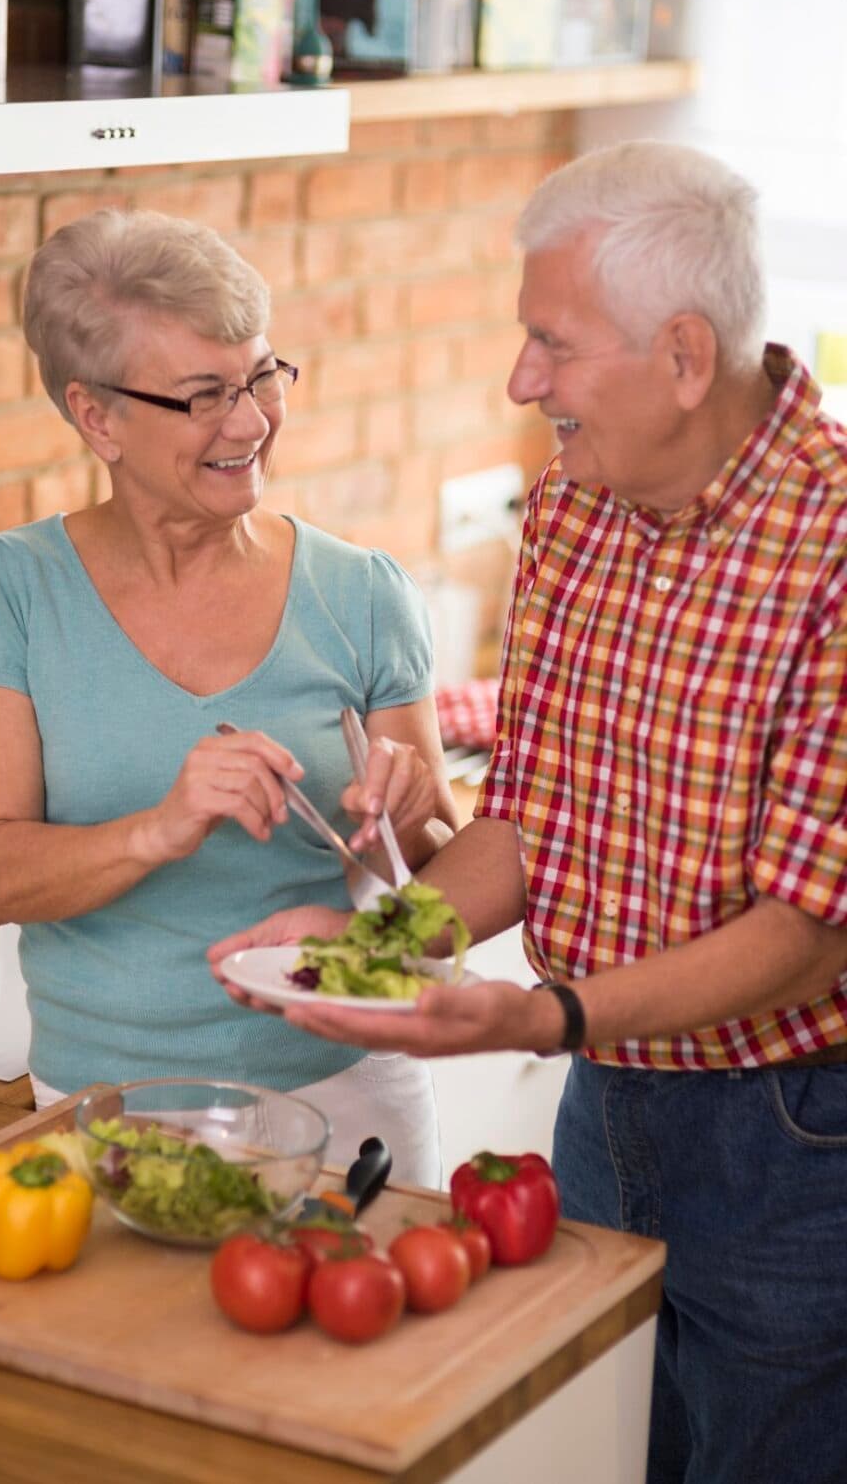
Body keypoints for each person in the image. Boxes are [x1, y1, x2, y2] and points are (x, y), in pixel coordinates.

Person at [211, 142, 847, 1484]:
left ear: (684, 355)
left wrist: (539, 1016)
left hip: (795, 1136)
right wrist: (375, 949)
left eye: (551, 343)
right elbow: (529, 818)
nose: (520, 380)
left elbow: (803, 935)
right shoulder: (572, 505)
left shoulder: (835, 549)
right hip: (604, 1100)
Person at [0, 207, 458, 1186]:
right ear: (97, 417)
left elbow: (440, 878)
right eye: (203, 395)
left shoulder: (362, 592)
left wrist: (415, 815)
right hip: (111, 1114)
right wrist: (158, 829)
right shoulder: (3, 591)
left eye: (261, 377)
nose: (249, 422)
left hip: (349, 1096)